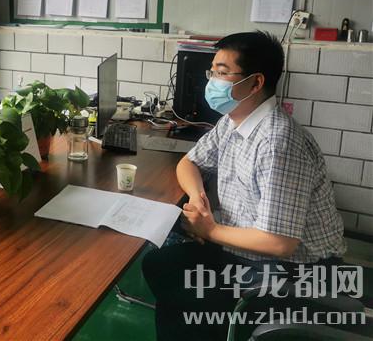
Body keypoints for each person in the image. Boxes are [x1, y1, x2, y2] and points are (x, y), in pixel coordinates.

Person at [142, 31, 346, 341]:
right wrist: (197, 198)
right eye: (212, 72)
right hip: (247, 251)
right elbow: (189, 163)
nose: (213, 81)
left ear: (255, 83)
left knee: (182, 288)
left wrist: (208, 230)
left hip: (293, 272)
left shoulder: (278, 142)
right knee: (162, 265)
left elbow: (279, 243)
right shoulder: (233, 120)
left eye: (222, 73)